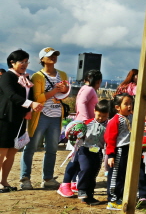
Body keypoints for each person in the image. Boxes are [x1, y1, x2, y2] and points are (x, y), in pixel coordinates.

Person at [20, 47, 70, 190]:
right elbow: (38, 98)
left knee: (52, 149)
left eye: (55, 55)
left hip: (56, 115)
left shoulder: (63, 74)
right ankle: (25, 177)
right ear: (42, 59)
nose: (53, 57)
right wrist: (55, 90)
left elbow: (66, 92)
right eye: (50, 55)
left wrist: (63, 90)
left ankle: (48, 178)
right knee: (31, 147)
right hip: (40, 115)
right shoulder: (37, 76)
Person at [0, 50, 43, 192]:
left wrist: (28, 111)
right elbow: (11, 95)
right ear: (12, 62)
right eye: (22, 61)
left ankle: (4, 181)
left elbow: (29, 96)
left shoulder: (25, 78)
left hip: (19, 120)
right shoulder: (7, 77)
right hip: (5, 119)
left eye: (26, 61)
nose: (25, 64)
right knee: (2, 152)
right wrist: (30, 105)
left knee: (12, 152)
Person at [57, 69, 102, 198]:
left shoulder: (84, 88)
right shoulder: (90, 90)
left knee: (78, 157)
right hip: (83, 128)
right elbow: (82, 104)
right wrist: (87, 121)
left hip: (82, 125)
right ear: (98, 81)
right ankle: (65, 184)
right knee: (76, 157)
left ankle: (72, 183)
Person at [74, 99, 110, 205]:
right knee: (86, 169)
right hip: (84, 150)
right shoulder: (86, 123)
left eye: (104, 116)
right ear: (94, 111)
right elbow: (77, 135)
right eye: (99, 115)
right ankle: (81, 189)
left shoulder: (108, 126)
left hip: (98, 152)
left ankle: (89, 196)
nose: (101, 118)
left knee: (93, 173)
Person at [105, 93, 134, 211]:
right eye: (126, 104)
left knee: (125, 174)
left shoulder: (131, 117)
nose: (129, 106)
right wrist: (111, 155)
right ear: (117, 107)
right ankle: (112, 199)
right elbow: (110, 138)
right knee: (116, 175)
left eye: (130, 103)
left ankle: (121, 196)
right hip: (119, 150)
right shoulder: (115, 120)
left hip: (129, 149)